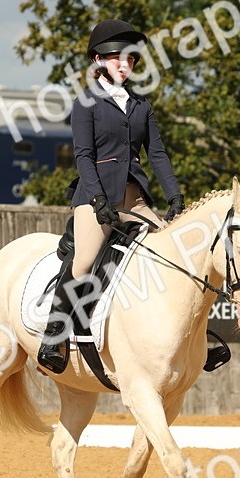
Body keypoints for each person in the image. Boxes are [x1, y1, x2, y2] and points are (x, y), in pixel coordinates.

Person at [37, 19, 186, 374]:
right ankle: (54, 335)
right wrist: (98, 199)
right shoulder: (86, 103)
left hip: (134, 201)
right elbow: (83, 156)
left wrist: (175, 196)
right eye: (117, 58)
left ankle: (192, 334)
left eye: (131, 60)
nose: (125, 65)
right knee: (84, 261)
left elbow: (158, 155)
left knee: (172, 252)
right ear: (98, 60)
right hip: (94, 199)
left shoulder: (141, 106)